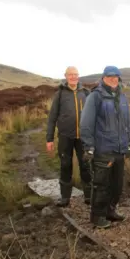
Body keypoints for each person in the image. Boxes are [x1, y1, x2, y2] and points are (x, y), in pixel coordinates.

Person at [79, 65, 130, 229]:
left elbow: (128, 122)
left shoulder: (122, 98)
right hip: (103, 149)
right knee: (101, 185)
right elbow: (86, 123)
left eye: (116, 76)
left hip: (120, 149)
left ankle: (110, 211)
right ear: (103, 78)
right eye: (110, 76)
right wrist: (88, 146)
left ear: (119, 78)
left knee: (117, 185)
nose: (113, 79)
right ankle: (97, 216)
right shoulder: (96, 97)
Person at [46, 66, 93, 207]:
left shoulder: (85, 93)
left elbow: (93, 115)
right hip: (65, 137)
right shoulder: (60, 94)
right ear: (66, 76)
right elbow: (52, 117)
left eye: (75, 74)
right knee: (65, 166)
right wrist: (49, 139)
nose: (73, 77)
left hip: (83, 138)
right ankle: (65, 198)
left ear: (78, 76)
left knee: (85, 165)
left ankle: (89, 197)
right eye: (70, 75)